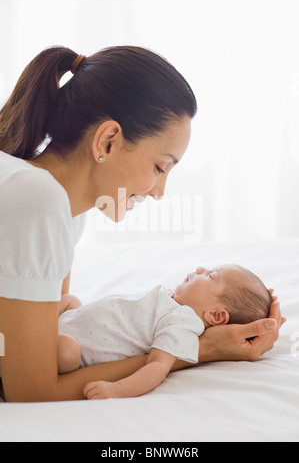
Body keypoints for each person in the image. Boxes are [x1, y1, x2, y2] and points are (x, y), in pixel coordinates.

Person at [0, 45, 283, 403]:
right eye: (160, 167)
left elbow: (46, 336)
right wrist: (199, 351)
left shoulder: (64, 210)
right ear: (108, 141)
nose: (159, 191)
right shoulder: (37, 198)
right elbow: (31, 391)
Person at [57, 264, 273, 399]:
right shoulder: (173, 298)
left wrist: (118, 390)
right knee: (70, 301)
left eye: (210, 275)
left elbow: (157, 367)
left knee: (65, 350)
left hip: (75, 347)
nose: (199, 269)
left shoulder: (182, 325)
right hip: (69, 320)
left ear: (216, 316)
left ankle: (31, 343)